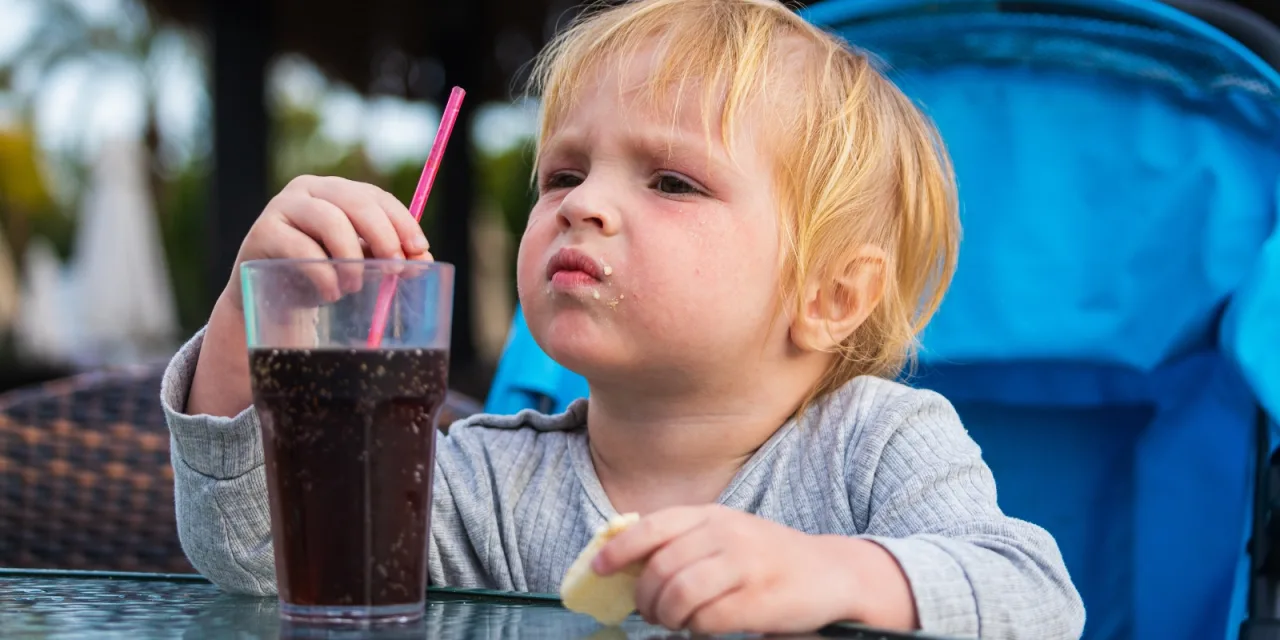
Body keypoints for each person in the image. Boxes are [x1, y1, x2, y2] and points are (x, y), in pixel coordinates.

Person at [161, 0, 1085, 636]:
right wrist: (252, 323)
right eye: (563, 173)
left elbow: (1039, 601)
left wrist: (837, 576)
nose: (582, 204)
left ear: (830, 296)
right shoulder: (492, 479)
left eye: (672, 181)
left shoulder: (877, 446)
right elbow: (256, 559)